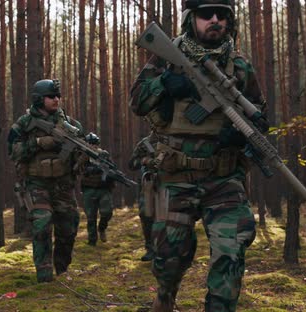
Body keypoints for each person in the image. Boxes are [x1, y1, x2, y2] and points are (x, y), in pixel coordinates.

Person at [129, 1, 269, 311]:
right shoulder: (166, 57)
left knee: (231, 251)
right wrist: (162, 83)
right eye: (207, 14)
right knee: (168, 259)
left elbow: (260, 115)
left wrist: (241, 135)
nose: (215, 20)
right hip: (174, 175)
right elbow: (137, 101)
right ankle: (165, 298)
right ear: (191, 19)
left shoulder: (240, 66)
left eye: (222, 14)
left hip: (224, 177)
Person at [7, 79, 84, 283]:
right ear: (39, 99)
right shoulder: (24, 124)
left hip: (63, 184)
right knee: (42, 223)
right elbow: (13, 152)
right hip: (36, 183)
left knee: (69, 227)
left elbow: (81, 152)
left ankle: (61, 268)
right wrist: (39, 142)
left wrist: (86, 155)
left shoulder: (71, 125)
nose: (56, 99)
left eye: (58, 95)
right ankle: (44, 274)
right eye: (51, 96)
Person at [79, 132, 115, 246]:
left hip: (103, 188)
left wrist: (107, 172)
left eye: (94, 144)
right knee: (90, 217)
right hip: (89, 189)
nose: (92, 146)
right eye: (90, 144)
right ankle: (92, 240)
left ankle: (102, 228)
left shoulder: (103, 154)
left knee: (107, 212)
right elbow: (77, 168)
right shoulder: (83, 155)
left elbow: (112, 167)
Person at [128, 133, 158, 262]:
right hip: (150, 184)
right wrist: (145, 160)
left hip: (174, 183)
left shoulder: (176, 137)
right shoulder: (146, 143)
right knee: (146, 215)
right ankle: (151, 249)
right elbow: (132, 164)